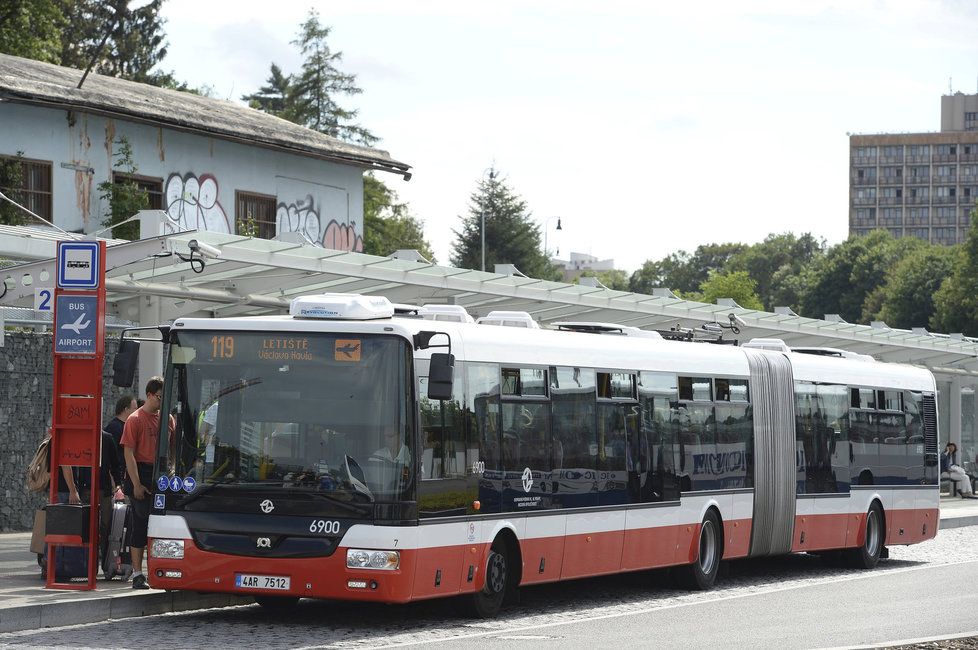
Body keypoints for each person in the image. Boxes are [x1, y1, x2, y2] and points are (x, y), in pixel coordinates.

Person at [121, 376, 176, 589]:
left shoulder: (168, 419)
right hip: (141, 471)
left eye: (165, 399)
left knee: (163, 525)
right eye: (159, 398)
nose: (161, 402)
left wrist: (171, 469)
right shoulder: (135, 419)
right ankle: (137, 573)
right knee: (140, 525)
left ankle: (159, 569)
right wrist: (136, 484)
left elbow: (172, 447)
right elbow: (129, 455)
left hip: (161, 473)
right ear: (150, 395)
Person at [103, 395, 137, 468]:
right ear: (126, 409)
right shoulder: (114, 427)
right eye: (135, 408)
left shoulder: (128, 425)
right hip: (117, 471)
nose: (137, 411)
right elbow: (109, 453)